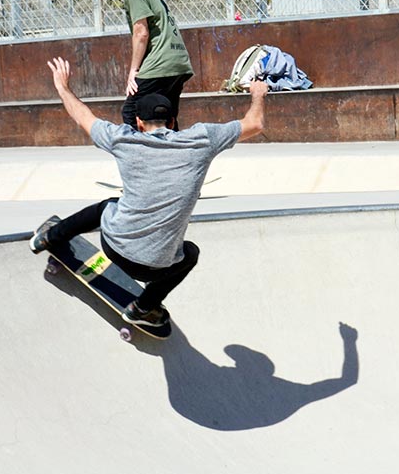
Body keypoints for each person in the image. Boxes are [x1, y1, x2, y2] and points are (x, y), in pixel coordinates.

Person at [29, 57, 267, 328]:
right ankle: (143, 308)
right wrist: (258, 95)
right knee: (190, 254)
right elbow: (256, 123)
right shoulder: (202, 140)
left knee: (108, 206)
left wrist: (63, 87)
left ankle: (47, 238)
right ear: (173, 120)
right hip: (158, 267)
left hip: (114, 248)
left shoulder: (123, 139)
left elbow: (83, 116)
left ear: (139, 122)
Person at [89, 0, 194, 131]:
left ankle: (142, 157)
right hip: (177, 61)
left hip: (159, 62)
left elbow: (141, 32)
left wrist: (133, 71)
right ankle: (173, 156)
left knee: (131, 112)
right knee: (164, 116)